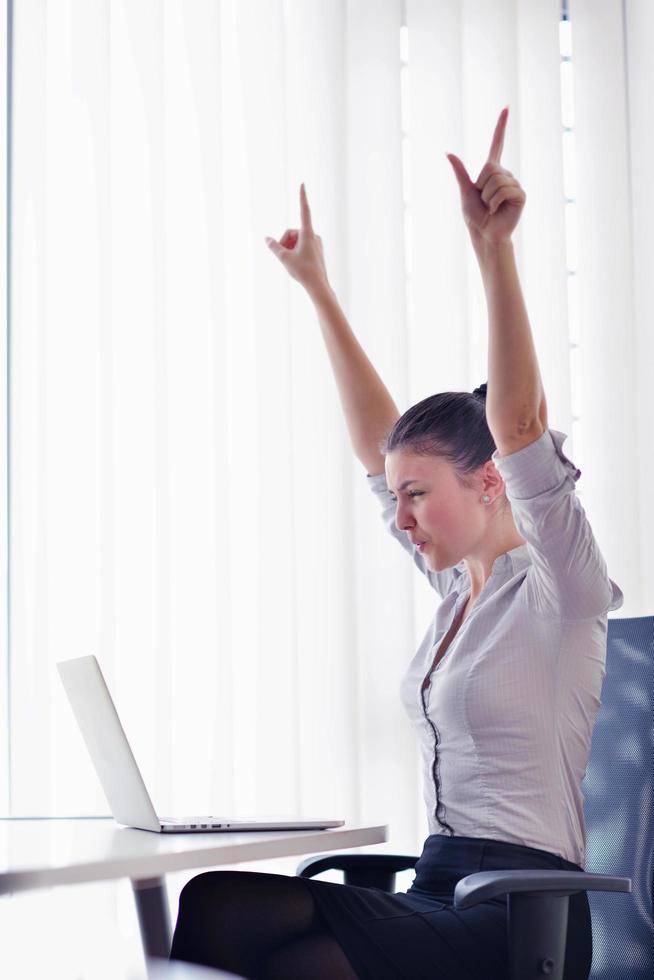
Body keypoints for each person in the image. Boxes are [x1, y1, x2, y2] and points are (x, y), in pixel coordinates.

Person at [169, 107, 623, 980]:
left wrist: (495, 251)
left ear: (491, 481)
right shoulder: (456, 593)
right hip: (438, 887)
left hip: (522, 915)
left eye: (418, 496)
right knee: (217, 904)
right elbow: (375, 443)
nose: (401, 517)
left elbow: (520, 425)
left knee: (298, 964)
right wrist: (318, 290)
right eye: (399, 496)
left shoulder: (560, 587)